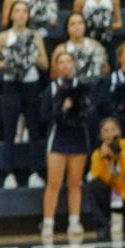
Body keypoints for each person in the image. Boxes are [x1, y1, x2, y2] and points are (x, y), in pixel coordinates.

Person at [0, 0, 47, 189]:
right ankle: (9, 174)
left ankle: (34, 172)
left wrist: (29, 57)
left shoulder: (35, 36)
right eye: (17, 10)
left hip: (31, 85)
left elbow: (45, 64)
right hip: (11, 85)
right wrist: (9, 63)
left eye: (24, 11)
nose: (20, 14)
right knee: (10, 130)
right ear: (11, 15)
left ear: (28, 16)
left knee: (34, 131)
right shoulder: (4, 37)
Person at [35, 52, 91, 237]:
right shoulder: (51, 88)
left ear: (74, 64)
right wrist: (61, 109)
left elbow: (90, 112)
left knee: (75, 183)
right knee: (54, 183)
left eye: (69, 61)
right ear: (56, 67)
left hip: (78, 138)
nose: (66, 65)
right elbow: (43, 117)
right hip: (58, 138)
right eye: (62, 62)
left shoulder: (82, 87)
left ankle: (74, 221)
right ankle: (48, 222)